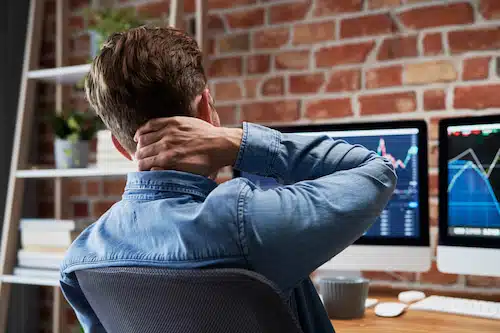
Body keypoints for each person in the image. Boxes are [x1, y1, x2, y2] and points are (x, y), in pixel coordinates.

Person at [60, 26, 397, 333]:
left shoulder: (81, 259)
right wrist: (235, 142)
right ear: (205, 110)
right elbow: (376, 171)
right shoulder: (244, 223)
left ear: (120, 146)